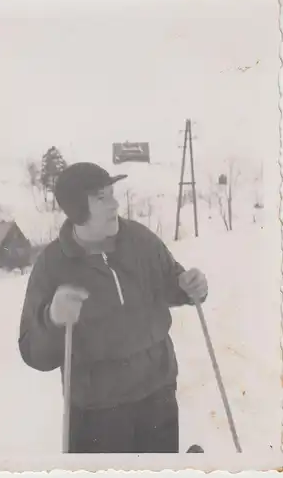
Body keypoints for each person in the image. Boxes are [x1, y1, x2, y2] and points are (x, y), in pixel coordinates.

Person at [18, 162, 208, 453]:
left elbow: (172, 282)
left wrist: (189, 285)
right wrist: (53, 318)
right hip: (98, 413)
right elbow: (33, 352)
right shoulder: (52, 266)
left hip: (158, 398)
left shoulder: (141, 241)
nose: (114, 204)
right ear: (78, 211)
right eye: (101, 198)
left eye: (112, 193)